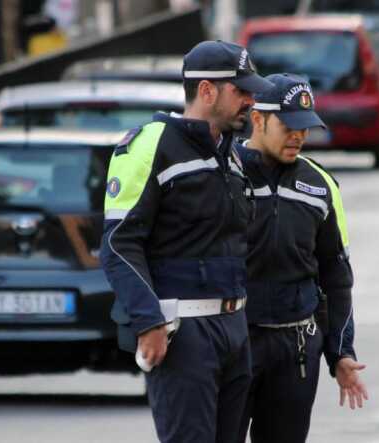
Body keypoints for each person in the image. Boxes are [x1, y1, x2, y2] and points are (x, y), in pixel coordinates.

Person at [99, 40, 273, 443]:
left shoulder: (228, 151)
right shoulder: (152, 143)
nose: (250, 100)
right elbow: (119, 244)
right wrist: (148, 321)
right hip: (184, 332)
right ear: (207, 91)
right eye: (241, 91)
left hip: (233, 327)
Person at [238, 73, 369, 443]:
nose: (299, 136)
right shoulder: (225, 173)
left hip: (295, 347)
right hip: (233, 341)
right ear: (259, 119)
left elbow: (337, 276)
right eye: (289, 126)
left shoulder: (320, 185)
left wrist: (341, 353)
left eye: (305, 127)